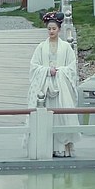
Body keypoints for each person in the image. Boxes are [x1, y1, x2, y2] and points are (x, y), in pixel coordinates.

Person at [27, 11, 80, 157]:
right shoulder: (41, 47)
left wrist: (60, 71)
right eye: (49, 29)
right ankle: (47, 147)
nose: (51, 31)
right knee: (47, 117)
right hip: (45, 87)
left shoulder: (66, 47)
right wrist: (46, 70)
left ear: (59, 29)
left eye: (54, 29)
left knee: (61, 117)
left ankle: (63, 148)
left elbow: (72, 67)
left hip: (61, 87)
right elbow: (34, 66)